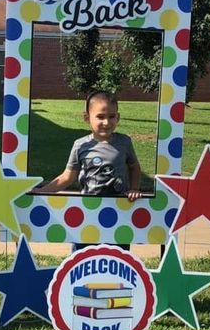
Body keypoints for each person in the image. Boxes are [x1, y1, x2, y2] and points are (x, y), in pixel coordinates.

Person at [33, 91, 142, 250]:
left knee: (118, 255)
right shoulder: (81, 145)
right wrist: (42, 191)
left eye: (111, 116)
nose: (106, 122)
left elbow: (134, 167)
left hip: (119, 212)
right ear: (87, 117)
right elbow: (67, 177)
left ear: (118, 117)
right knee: (82, 255)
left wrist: (134, 189)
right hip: (87, 212)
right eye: (100, 116)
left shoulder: (124, 142)